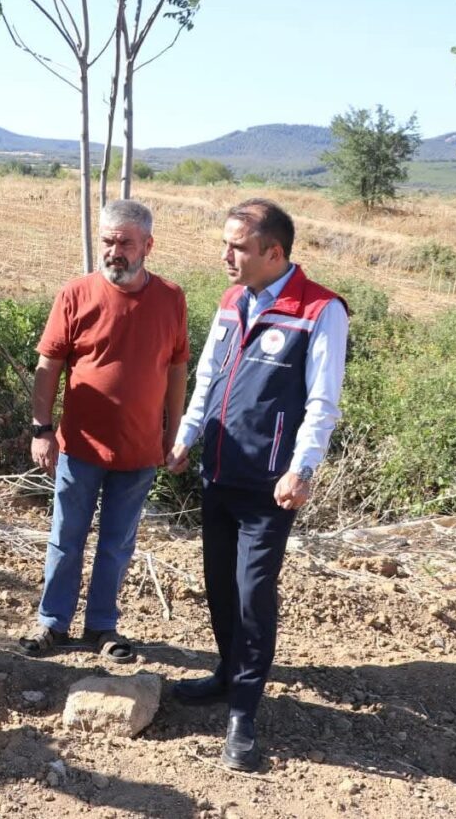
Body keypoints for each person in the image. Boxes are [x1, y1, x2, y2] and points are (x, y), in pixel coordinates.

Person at [166, 198, 348, 772]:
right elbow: (208, 377)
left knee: (252, 593)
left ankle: (243, 713)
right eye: (225, 244)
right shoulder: (231, 301)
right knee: (219, 585)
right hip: (219, 471)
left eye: (238, 247)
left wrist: (302, 468)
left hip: (270, 485)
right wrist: (186, 436)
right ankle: (227, 674)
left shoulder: (319, 310)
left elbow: (322, 401)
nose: (226, 256)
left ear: (274, 252)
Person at [19, 200, 189, 660]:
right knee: (66, 538)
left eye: (125, 243)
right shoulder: (75, 294)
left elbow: (176, 369)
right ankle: (52, 624)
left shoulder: (171, 298)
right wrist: (41, 429)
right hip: (80, 447)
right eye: (108, 241)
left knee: (117, 545)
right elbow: (48, 366)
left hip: (139, 450)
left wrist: (175, 433)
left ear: (148, 246)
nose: (115, 252)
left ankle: (102, 628)